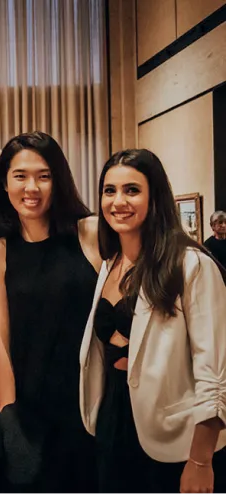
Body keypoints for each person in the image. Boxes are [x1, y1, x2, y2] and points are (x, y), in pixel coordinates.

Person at [80, 149, 226, 494]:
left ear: (154, 196)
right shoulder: (109, 263)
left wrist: (201, 460)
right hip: (114, 418)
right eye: (109, 190)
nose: (118, 201)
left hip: (176, 435)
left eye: (132, 190)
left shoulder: (191, 265)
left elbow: (215, 371)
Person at [0, 131, 101, 492]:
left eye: (43, 175)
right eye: (20, 176)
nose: (31, 187)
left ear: (58, 180)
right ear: (3, 183)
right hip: (31, 408)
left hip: (91, 403)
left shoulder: (91, 233)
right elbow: (0, 344)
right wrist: (10, 420)